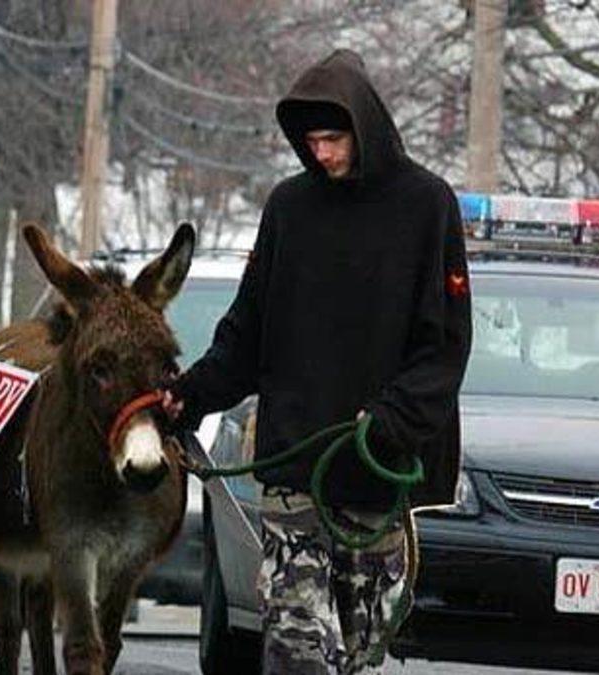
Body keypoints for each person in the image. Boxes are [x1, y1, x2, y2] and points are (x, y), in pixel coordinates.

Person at [163, 49, 472, 674]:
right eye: (311, 142)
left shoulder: (428, 206)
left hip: (376, 470)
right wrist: (190, 394)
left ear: (365, 129)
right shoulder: (288, 209)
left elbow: (444, 346)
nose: (322, 153)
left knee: (357, 652)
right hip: (295, 471)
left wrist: (392, 417)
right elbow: (246, 332)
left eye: (333, 139)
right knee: (295, 644)